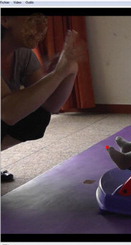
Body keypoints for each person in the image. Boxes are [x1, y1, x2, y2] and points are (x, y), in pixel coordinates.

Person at [1, 14, 83, 181]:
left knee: (37, 117)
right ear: (4, 19)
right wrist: (57, 73)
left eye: (44, 20)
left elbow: (47, 105)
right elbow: (7, 112)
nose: (41, 28)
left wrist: (68, 70)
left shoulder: (23, 54)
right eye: (32, 18)